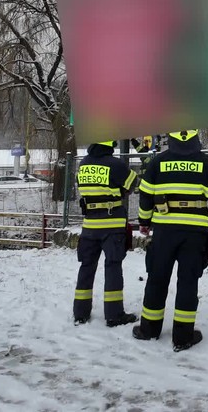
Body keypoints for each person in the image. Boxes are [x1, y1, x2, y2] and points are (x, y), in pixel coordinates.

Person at [133, 129, 208, 351]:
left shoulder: (158, 162)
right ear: (195, 137)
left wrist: (144, 222)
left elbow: (145, 195)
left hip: (164, 230)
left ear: (171, 138)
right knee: (188, 282)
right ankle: (183, 337)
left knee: (157, 278)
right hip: (195, 233)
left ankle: (149, 330)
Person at [73, 140, 139, 327]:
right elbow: (132, 183)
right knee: (113, 267)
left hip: (90, 224)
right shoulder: (115, 164)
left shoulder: (83, 163)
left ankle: (80, 313)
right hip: (112, 224)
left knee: (86, 267)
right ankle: (114, 314)